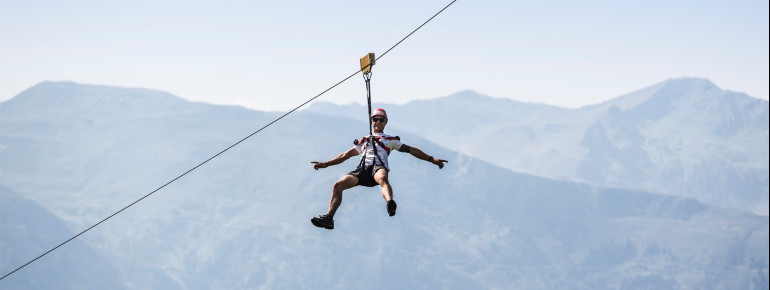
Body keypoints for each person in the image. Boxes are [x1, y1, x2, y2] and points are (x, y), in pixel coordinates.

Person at [310, 108, 448, 230]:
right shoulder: (364, 140)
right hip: (362, 170)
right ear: (371, 121)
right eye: (375, 119)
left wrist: (432, 159)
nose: (378, 122)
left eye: (381, 120)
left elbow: (411, 150)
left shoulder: (390, 140)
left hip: (378, 167)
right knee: (338, 185)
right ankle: (329, 218)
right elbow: (345, 155)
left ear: (385, 122)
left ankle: (390, 202)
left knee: (382, 178)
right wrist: (326, 164)